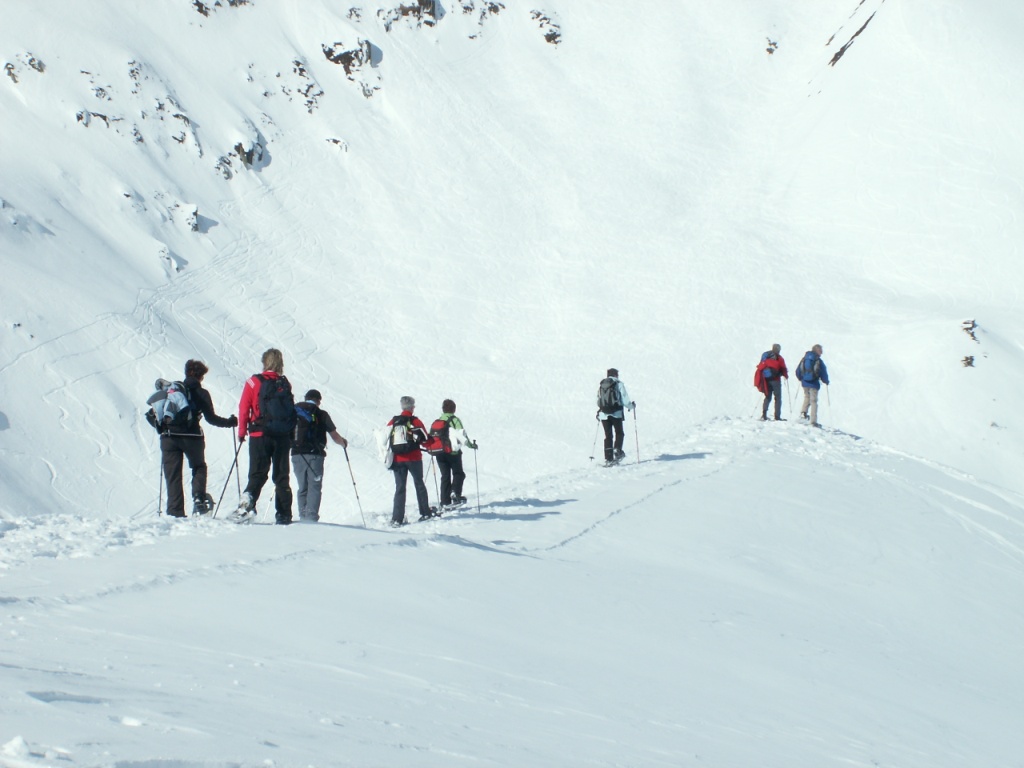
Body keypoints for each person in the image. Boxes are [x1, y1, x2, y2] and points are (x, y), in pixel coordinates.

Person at [152, 360, 237, 517]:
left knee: (173, 475)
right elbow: (211, 419)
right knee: (199, 467)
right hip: (192, 437)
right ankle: (199, 499)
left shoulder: (173, 391)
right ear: (200, 376)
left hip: (169, 437)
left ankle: (175, 512)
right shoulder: (202, 393)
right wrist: (230, 422)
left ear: (186, 372)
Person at [234, 348, 296, 524]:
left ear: (264, 362)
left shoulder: (254, 382)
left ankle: (247, 506)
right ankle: (284, 515)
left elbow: (244, 407)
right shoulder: (284, 383)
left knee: (257, 473)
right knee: (281, 476)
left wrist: (242, 431)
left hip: (259, 433)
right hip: (282, 436)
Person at [292, 389, 349, 522]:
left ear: (306, 398)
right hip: (315, 455)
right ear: (318, 400)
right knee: (314, 487)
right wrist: (343, 443)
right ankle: (311, 518)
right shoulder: (321, 414)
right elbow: (334, 435)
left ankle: (302, 516)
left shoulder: (294, 411)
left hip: (296, 454)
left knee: (302, 487)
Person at [386, 396, 434, 527]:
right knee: (419, 484)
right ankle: (425, 512)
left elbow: (386, 437)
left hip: (398, 459)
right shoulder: (415, 421)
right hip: (414, 458)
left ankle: (397, 518)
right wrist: (430, 443)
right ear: (412, 407)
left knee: (400, 487)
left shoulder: (393, 421)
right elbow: (426, 440)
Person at [430, 399, 478, 509]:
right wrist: (472, 445)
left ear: (443, 409)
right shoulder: (455, 420)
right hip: (453, 452)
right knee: (458, 474)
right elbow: (462, 436)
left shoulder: (437, 421)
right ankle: (455, 493)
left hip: (439, 453)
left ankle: (445, 501)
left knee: (445, 476)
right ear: (454, 409)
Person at [596, 368, 635, 464]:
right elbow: (625, 400)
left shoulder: (602, 385)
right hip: (616, 413)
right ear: (615, 375)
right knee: (619, 433)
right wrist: (632, 406)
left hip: (604, 414)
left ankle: (608, 459)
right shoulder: (618, 384)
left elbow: (598, 400)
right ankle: (617, 450)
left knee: (608, 436)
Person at [797, 344, 830, 427]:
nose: (821, 353)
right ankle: (813, 421)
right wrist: (826, 381)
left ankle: (803, 413)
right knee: (814, 401)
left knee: (807, 397)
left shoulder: (805, 358)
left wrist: (801, 378)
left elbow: (798, 370)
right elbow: (823, 372)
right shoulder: (818, 360)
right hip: (814, 383)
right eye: (820, 351)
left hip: (804, 382)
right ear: (817, 350)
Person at [756, 343, 788, 421]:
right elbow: (783, 368)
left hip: (766, 380)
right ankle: (777, 416)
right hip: (776, 380)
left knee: (768, 396)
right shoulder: (780, 358)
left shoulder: (766, 357)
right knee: (778, 398)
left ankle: (764, 414)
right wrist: (786, 375)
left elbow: (760, 367)